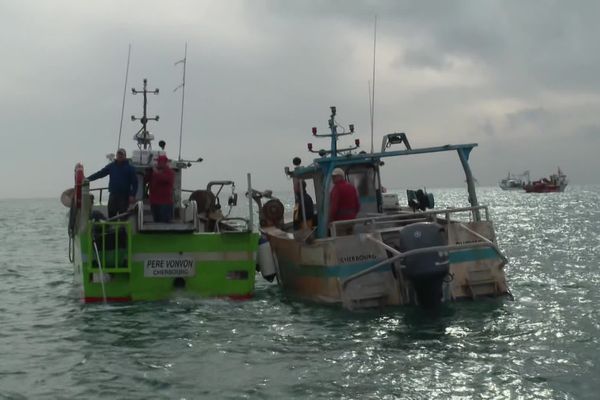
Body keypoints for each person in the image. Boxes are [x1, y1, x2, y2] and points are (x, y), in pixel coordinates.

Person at [87, 148, 138, 219]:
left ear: (125, 156)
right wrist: (88, 179)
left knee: (123, 215)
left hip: (124, 196)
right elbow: (100, 174)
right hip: (113, 194)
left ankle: (122, 229)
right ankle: (111, 229)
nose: (120, 156)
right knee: (111, 214)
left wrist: (132, 195)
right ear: (116, 155)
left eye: (122, 154)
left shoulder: (130, 168)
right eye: (118, 154)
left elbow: (135, 183)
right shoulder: (111, 166)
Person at [147, 154, 175, 222]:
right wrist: (148, 172)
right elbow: (146, 180)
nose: (158, 163)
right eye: (158, 161)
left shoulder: (169, 172)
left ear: (164, 162)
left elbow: (165, 179)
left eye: (160, 161)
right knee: (156, 221)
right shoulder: (153, 172)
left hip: (165, 203)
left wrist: (156, 172)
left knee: (164, 222)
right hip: (154, 202)